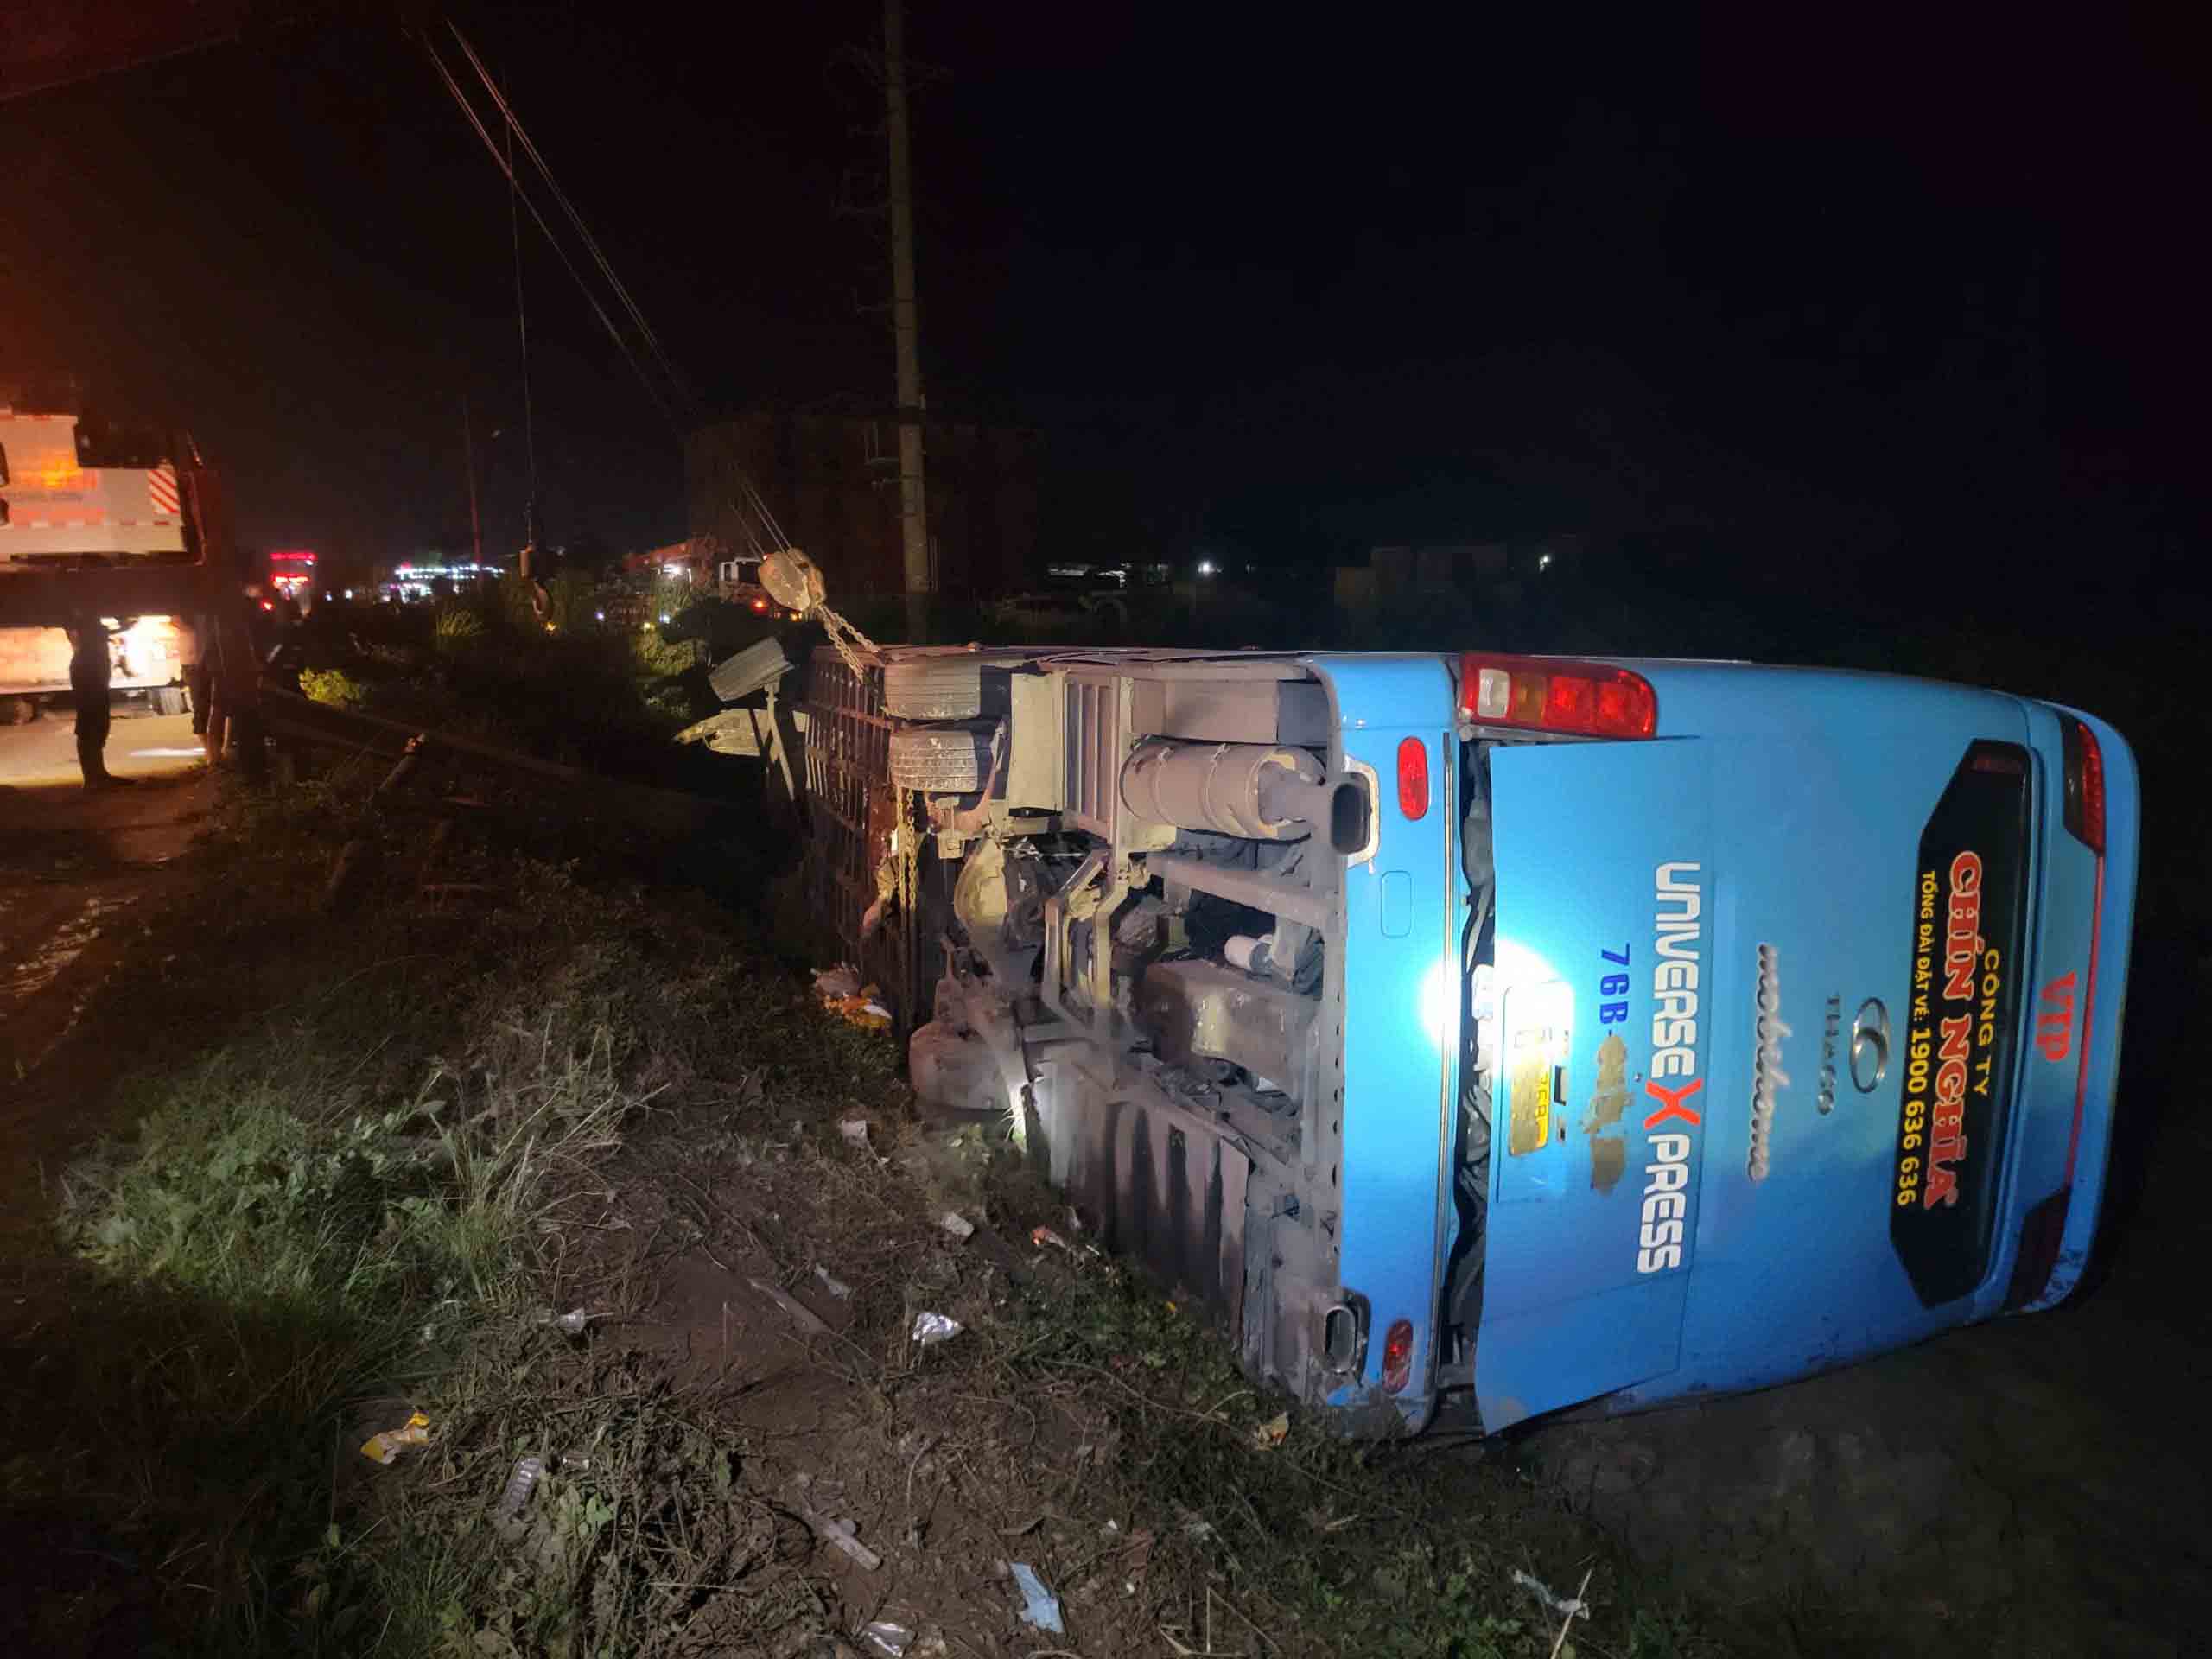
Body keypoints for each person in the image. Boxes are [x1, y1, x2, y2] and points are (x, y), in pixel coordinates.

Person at [65, 612, 125, 789]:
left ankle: (98, 775)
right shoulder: (78, 619)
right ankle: (93, 779)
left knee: (98, 722)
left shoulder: (88, 619)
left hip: (93, 670)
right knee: (89, 723)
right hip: (88, 671)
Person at [177, 612, 217, 766]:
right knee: (202, 710)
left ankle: (212, 755)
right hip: (193, 670)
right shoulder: (187, 633)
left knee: (205, 709)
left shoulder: (193, 633)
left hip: (199, 670)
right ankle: (211, 754)